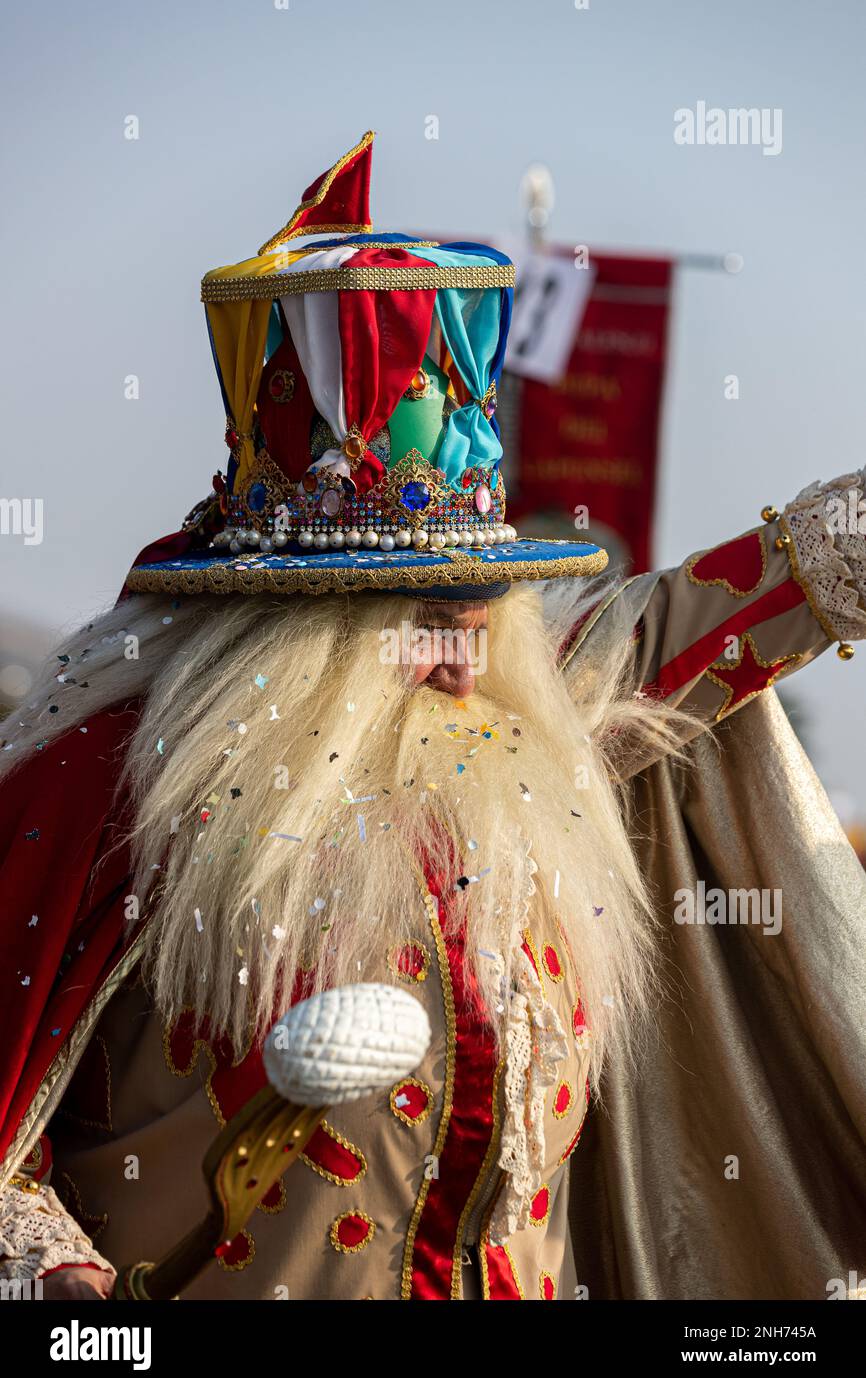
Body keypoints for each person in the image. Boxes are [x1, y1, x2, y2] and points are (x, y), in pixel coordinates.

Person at [1, 134, 865, 1302]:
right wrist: (62, 1287)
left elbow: (711, 613)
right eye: (428, 616)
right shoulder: (112, 786)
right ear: (298, 627)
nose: (471, 661)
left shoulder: (511, 729)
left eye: (487, 610)